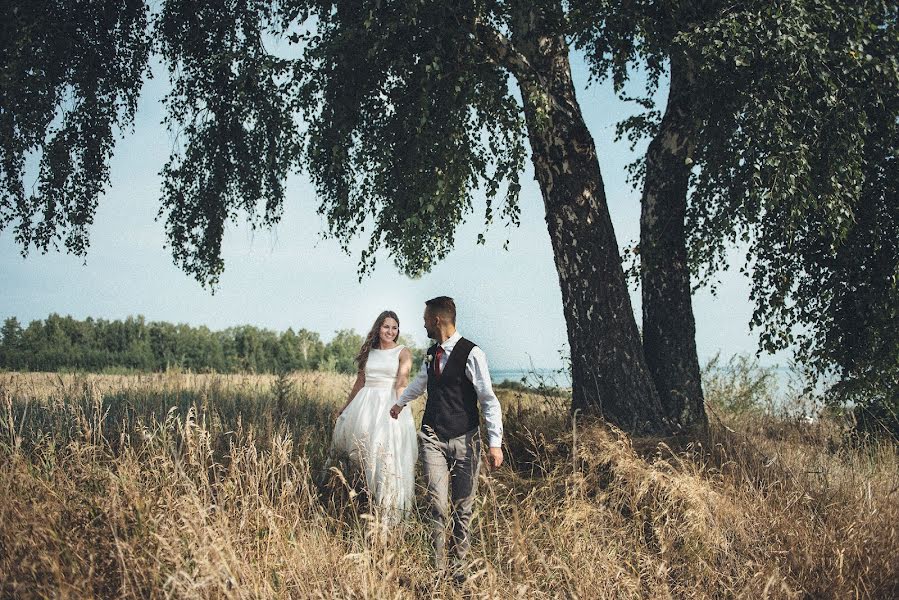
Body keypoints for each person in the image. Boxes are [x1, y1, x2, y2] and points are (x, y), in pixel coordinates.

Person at [389, 296, 504, 581]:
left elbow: (488, 400)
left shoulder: (472, 353)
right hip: (432, 437)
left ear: (437, 320)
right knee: (437, 504)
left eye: (426, 318)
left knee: (463, 506)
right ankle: (437, 570)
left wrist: (494, 443)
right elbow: (420, 382)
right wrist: (401, 402)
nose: (423, 323)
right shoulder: (432, 353)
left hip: (466, 438)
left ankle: (458, 569)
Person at [330, 310, 417, 525]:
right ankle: (361, 500)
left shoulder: (402, 352)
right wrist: (345, 406)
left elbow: (401, 383)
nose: (390, 331)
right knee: (363, 454)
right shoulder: (369, 352)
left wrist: (400, 407)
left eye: (394, 327)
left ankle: (388, 508)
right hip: (365, 406)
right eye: (386, 326)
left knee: (386, 455)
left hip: (388, 404)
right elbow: (360, 382)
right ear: (378, 328)